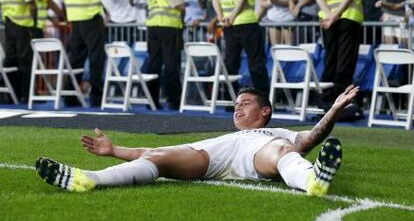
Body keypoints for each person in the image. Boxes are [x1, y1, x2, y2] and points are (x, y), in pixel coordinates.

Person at [35, 85, 360, 196]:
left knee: (283, 151)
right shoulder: (223, 136)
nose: (237, 108)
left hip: (259, 155)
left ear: (265, 111)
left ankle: (311, 179)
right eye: (235, 104)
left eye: (244, 103)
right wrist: (114, 150)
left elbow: (312, 137)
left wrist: (332, 110)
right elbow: (150, 150)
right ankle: (89, 179)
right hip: (215, 157)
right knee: (160, 156)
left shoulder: (278, 134)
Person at [314, 0, 365, 109]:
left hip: (327, 20)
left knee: (330, 58)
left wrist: (329, 15)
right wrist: (336, 16)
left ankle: (325, 99)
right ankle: (342, 101)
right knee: (345, 60)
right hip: (348, 18)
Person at [63, 0, 112, 107]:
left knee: (76, 57)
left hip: (75, 18)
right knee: (96, 57)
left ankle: (69, 95)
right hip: (91, 16)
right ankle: (96, 98)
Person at [145, 0, 185, 110]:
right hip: (169, 26)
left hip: (153, 26)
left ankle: (151, 100)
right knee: (171, 64)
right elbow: (178, 4)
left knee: (154, 64)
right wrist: (183, 4)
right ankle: (174, 100)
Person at [0, 0, 37, 103]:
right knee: (25, 62)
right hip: (22, 25)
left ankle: (11, 95)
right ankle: (27, 95)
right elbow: (31, 4)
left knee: (10, 60)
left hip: (8, 24)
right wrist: (33, 22)